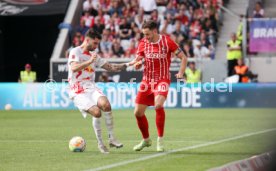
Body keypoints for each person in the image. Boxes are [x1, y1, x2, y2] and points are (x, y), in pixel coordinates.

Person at [128, 20, 187, 152]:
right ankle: (146, 140)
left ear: (155, 31)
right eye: (144, 34)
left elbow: (184, 57)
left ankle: (160, 140)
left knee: (158, 105)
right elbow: (139, 59)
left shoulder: (167, 41)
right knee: (137, 113)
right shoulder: (143, 43)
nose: (146, 37)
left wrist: (181, 72)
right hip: (147, 81)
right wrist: (138, 64)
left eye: (148, 34)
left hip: (162, 79)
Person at [68, 29, 129, 154]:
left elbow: (110, 67)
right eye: (95, 43)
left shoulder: (94, 52)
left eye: (98, 44)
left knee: (106, 104)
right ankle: (101, 144)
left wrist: (127, 65)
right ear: (87, 40)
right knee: (96, 112)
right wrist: (90, 61)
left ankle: (112, 139)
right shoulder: (75, 51)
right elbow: (73, 67)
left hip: (91, 86)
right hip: (77, 89)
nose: (97, 46)